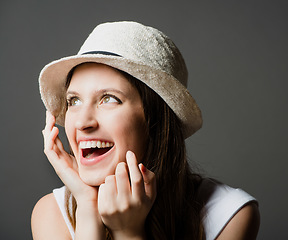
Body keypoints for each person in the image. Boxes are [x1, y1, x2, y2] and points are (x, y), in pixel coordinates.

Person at [31, 21, 260, 240]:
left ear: (155, 121)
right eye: (74, 101)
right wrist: (88, 210)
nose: (82, 123)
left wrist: (128, 233)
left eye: (109, 99)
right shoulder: (51, 214)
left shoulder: (229, 214)